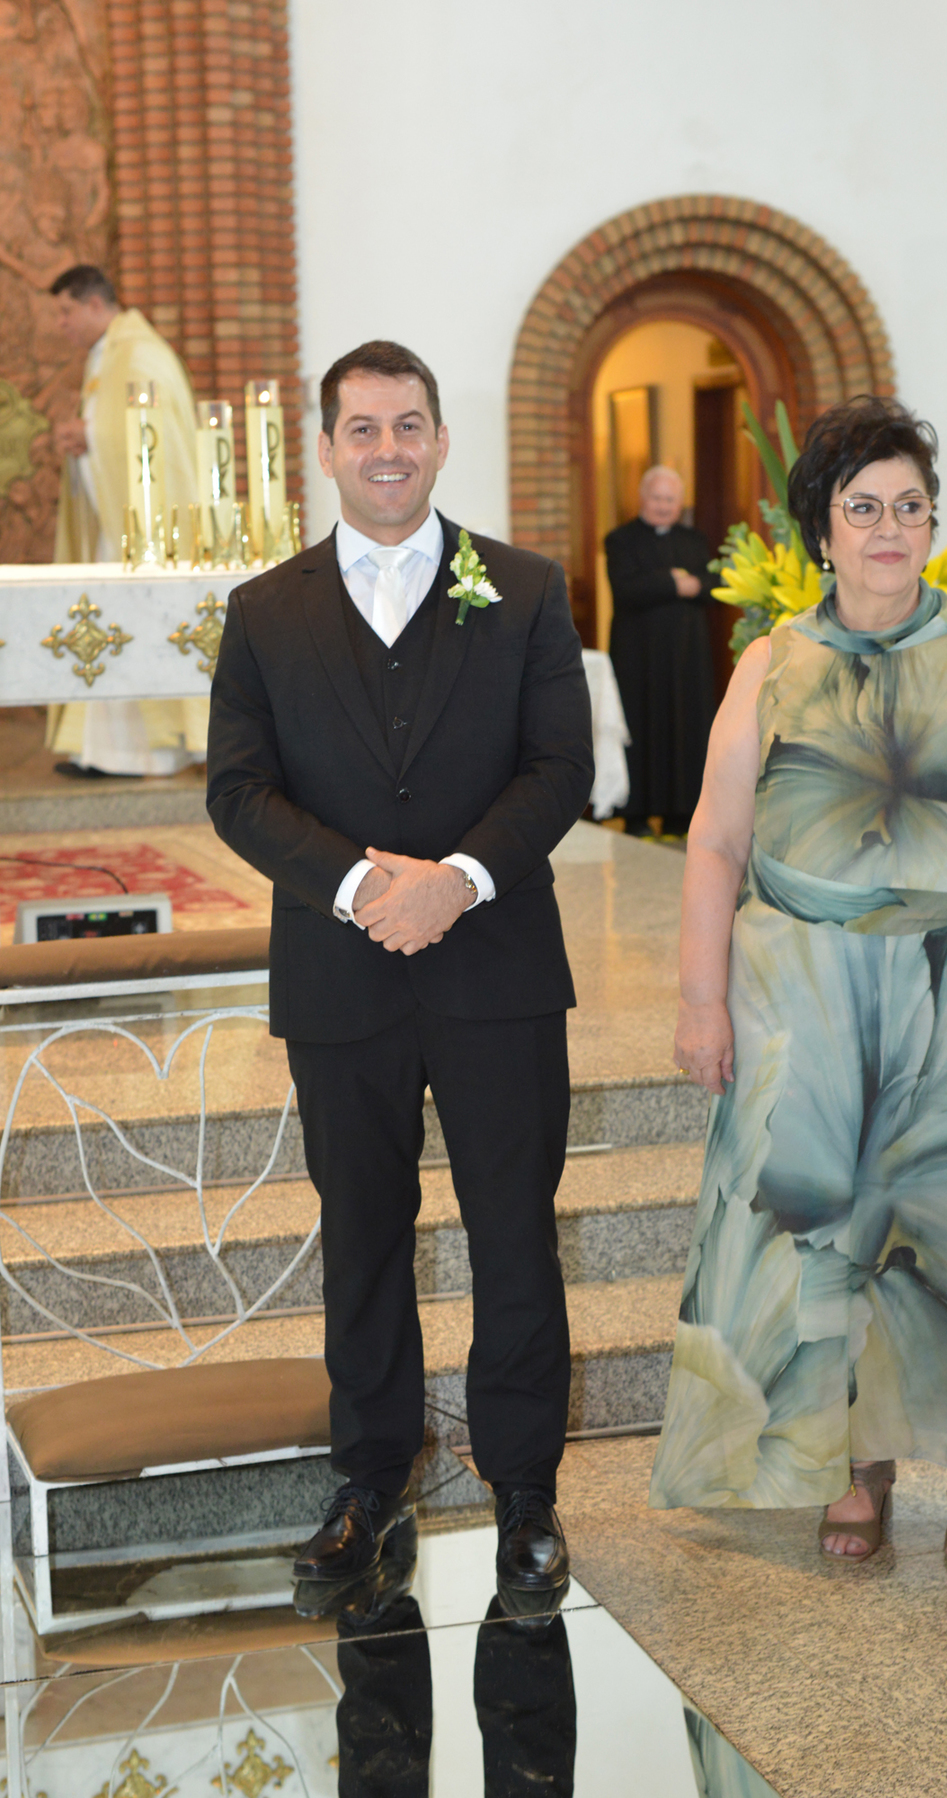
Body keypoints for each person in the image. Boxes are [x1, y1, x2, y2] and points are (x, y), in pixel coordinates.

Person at [649, 395, 947, 1566]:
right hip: (806, 998)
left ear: (931, 523)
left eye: (909, 507)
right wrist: (701, 997)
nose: (889, 529)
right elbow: (713, 839)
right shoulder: (770, 663)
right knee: (829, 1235)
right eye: (864, 509)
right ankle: (853, 1462)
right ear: (825, 530)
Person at [207, 339, 593, 1604]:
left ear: (439, 440)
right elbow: (238, 790)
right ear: (327, 449)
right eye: (362, 429)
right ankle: (370, 1479)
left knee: (514, 1238)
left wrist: (456, 882)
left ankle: (525, 1490)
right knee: (364, 1236)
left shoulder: (526, 590)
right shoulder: (264, 611)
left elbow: (559, 772)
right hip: (343, 975)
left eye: (408, 426)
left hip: (497, 973)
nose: (387, 450)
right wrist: (364, 884)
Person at [48, 263, 205, 778]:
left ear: (97, 304)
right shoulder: (107, 356)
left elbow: (150, 439)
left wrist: (89, 435)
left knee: (130, 630)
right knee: (103, 629)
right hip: (115, 530)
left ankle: (147, 752)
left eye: (66, 311)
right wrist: (86, 436)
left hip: (144, 533)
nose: (60, 325)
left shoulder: (139, 354)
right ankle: (102, 752)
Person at [605, 465, 716, 837]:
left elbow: (712, 585)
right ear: (642, 498)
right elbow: (627, 589)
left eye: (670, 499)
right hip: (638, 657)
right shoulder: (620, 540)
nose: (663, 505)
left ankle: (680, 813)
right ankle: (635, 814)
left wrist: (681, 583)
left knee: (685, 727)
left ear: (680, 503)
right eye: (657, 498)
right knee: (639, 728)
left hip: (686, 657)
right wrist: (675, 581)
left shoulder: (695, 540)